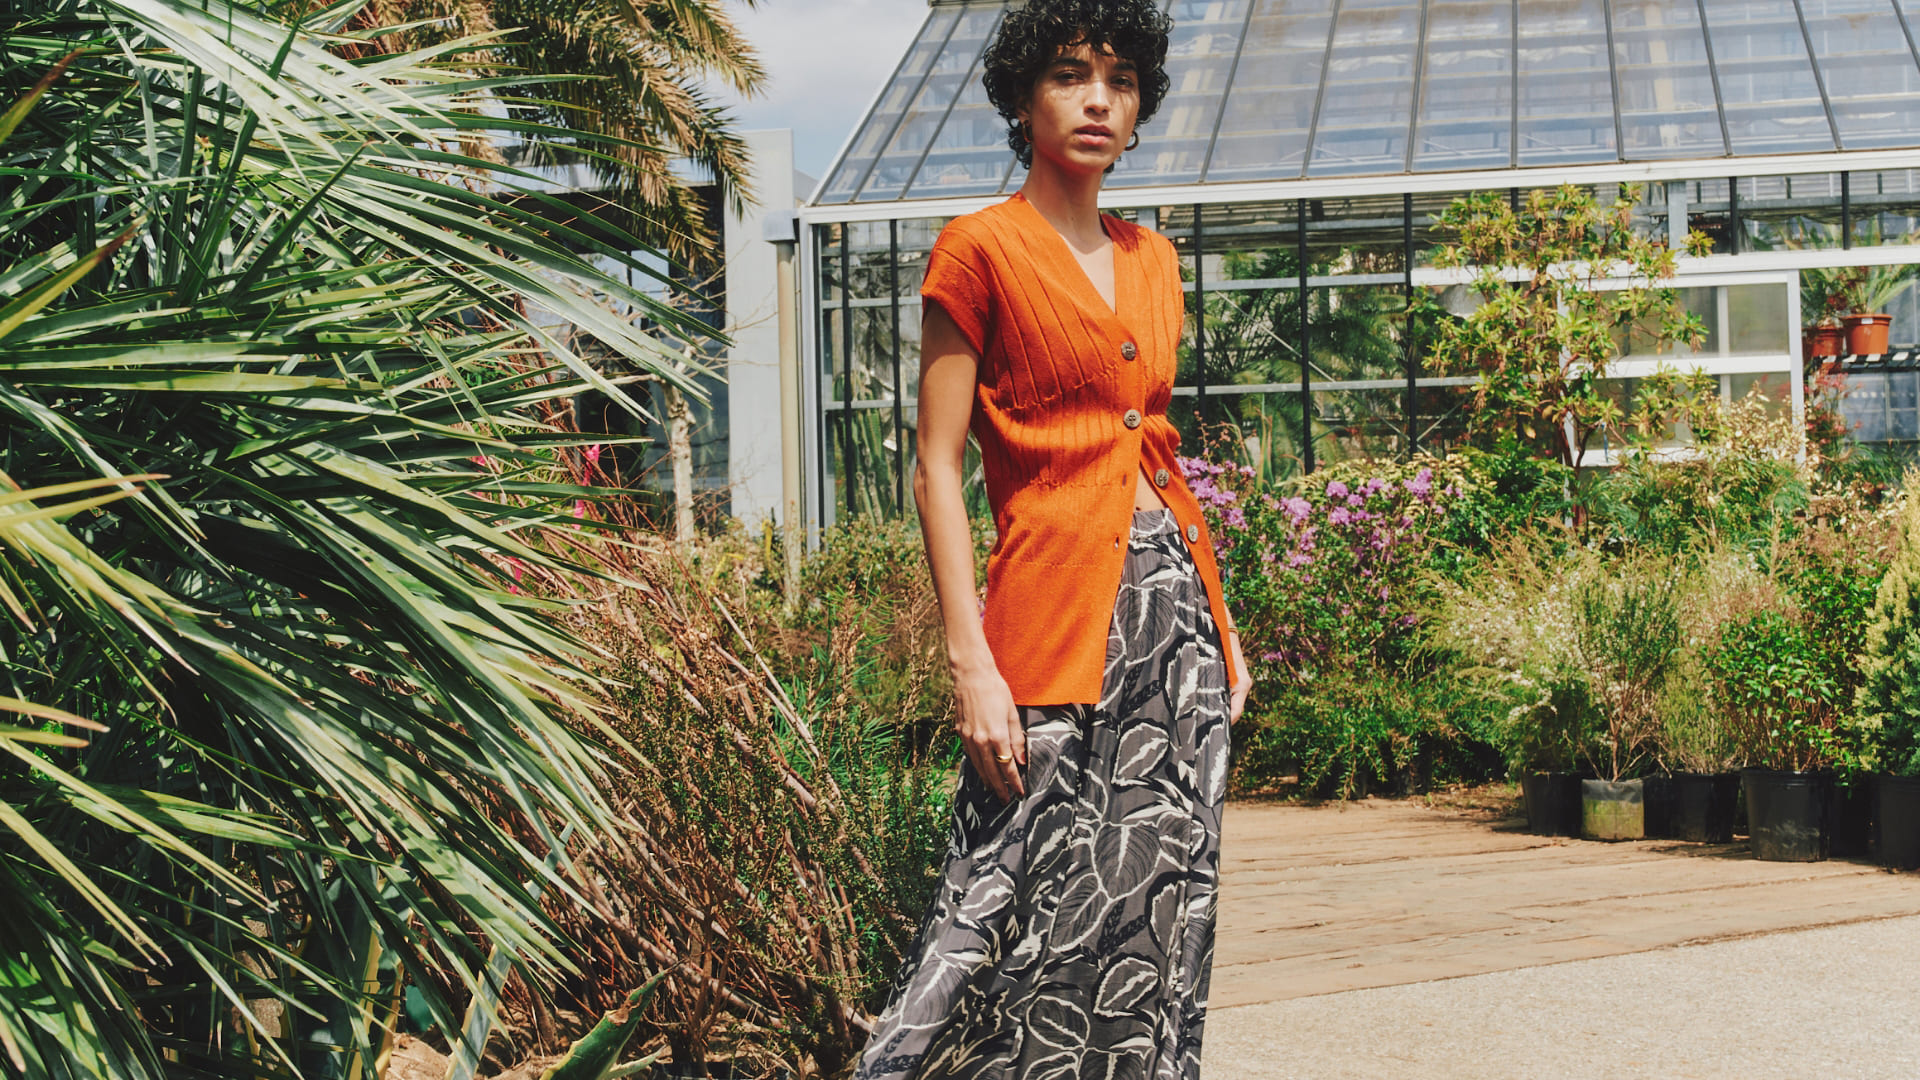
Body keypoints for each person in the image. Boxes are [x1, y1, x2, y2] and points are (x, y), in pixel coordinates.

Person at [853, 1, 1251, 1077]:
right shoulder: (979, 250)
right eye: (1071, 76)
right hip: (1052, 624)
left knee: (1156, 905)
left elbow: (1154, 454)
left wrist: (1222, 629)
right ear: (1024, 97)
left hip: (1172, 624)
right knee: (994, 902)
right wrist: (970, 664)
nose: (1096, 101)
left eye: (1120, 82)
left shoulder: (1155, 257)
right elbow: (936, 466)